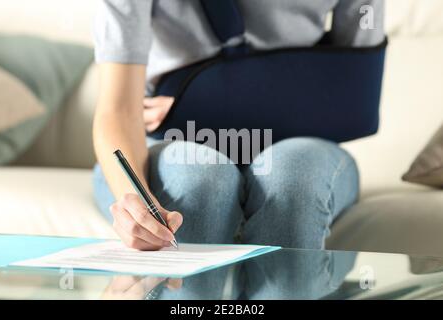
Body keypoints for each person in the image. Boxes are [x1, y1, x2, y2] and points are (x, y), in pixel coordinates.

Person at [92, 0, 385, 250]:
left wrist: (206, 103)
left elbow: (354, 100)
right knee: (197, 183)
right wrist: (133, 203)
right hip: (172, 140)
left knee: (294, 185)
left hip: (302, 142)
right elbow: (119, 109)